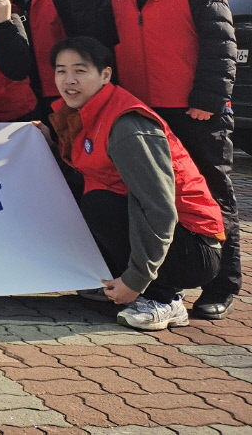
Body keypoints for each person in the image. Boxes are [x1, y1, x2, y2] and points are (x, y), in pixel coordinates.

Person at [99, 0, 239, 320]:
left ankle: (222, 284)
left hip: (192, 109)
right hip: (144, 113)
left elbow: (221, 42)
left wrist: (208, 99)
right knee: (156, 197)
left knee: (212, 195)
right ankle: (164, 283)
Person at [48, 37, 224, 331]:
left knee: (99, 204)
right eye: (60, 71)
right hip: (170, 238)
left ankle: (163, 299)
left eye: (80, 71)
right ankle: (129, 283)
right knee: (85, 198)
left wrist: (135, 280)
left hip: (195, 248)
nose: (69, 80)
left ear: (105, 75)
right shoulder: (86, 113)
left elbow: (160, 209)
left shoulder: (127, 125)